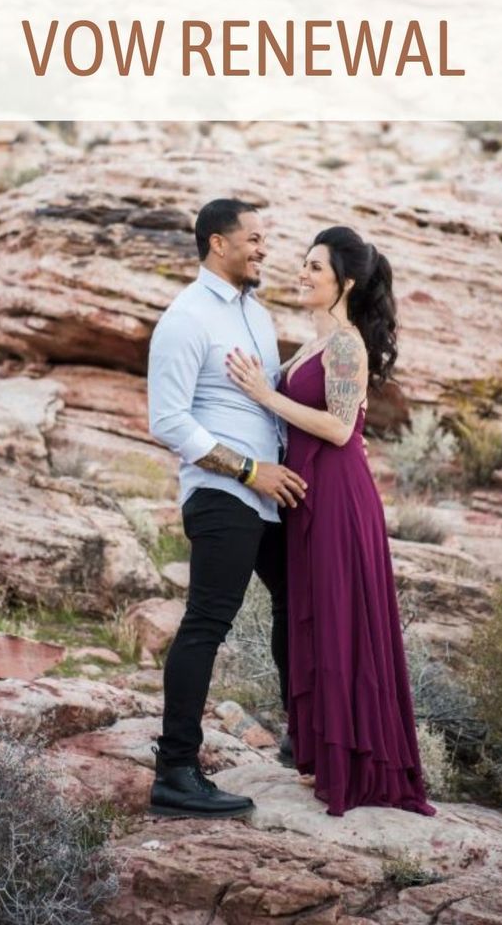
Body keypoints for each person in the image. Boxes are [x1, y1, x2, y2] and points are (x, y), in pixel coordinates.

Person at [226, 225, 437, 818]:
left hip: (340, 497)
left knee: (345, 624)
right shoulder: (313, 346)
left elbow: (342, 429)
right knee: (319, 622)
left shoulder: (344, 345)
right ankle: (326, 756)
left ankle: (360, 768)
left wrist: (263, 396)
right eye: (303, 263)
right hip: (309, 494)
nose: (303, 273)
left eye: (315, 267)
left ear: (343, 283)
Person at [147, 197, 307, 818]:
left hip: (267, 493)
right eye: (255, 238)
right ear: (219, 243)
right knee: (208, 621)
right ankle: (176, 771)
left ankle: (305, 739)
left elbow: (266, 404)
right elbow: (167, 419)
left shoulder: (257, 317)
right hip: (223, 493)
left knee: (300, 603)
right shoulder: (186, 319)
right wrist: (247, 470)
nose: (264, 248)